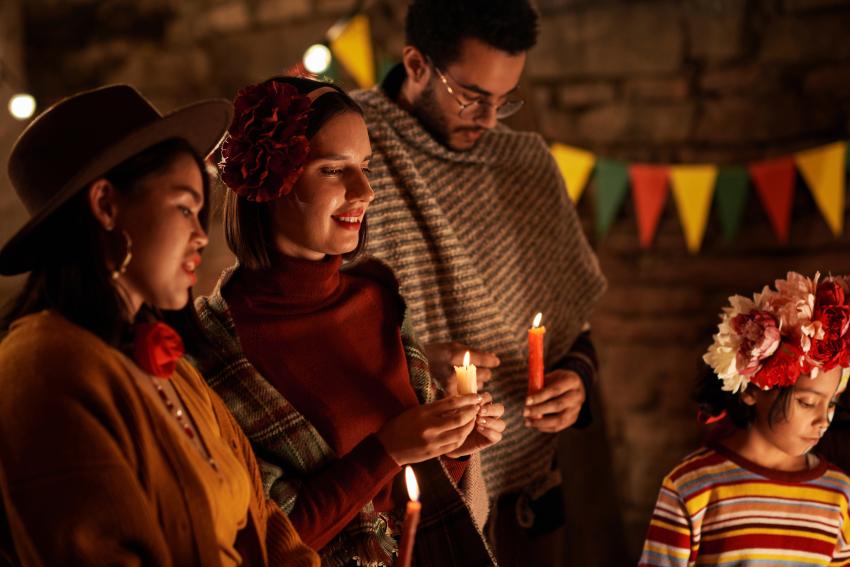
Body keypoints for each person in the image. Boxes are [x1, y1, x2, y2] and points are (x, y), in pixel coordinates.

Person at [0, 84, 319, 567]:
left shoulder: (170, 365)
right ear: (106, 206)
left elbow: (263, 515)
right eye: (184, 208)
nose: (199, 235)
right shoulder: (44, 367)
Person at [194, 76, 504, 566]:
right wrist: (388, 449)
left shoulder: (377, 297)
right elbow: (262, 536)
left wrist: (454, 445)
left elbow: (408, 501)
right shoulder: (215, 347)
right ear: (272, 181)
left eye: (364, 166)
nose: (366, 190)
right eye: (333, 169)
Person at [349, 0, 607, 563]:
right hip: (417, 493)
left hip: (528, 492)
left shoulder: (526, 165)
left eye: (504, 100)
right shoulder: (353, 152)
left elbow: (572, 327)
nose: (489, 120)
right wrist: (413, 363)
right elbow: (321, 336)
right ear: (416, 63)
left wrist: (576, 378)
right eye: (472, 97)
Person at [639, 272, 850, 566]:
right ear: (752, 390)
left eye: (832, 404)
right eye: (807, 402)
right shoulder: (692, 488)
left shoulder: (839, 495)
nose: (823, 420)